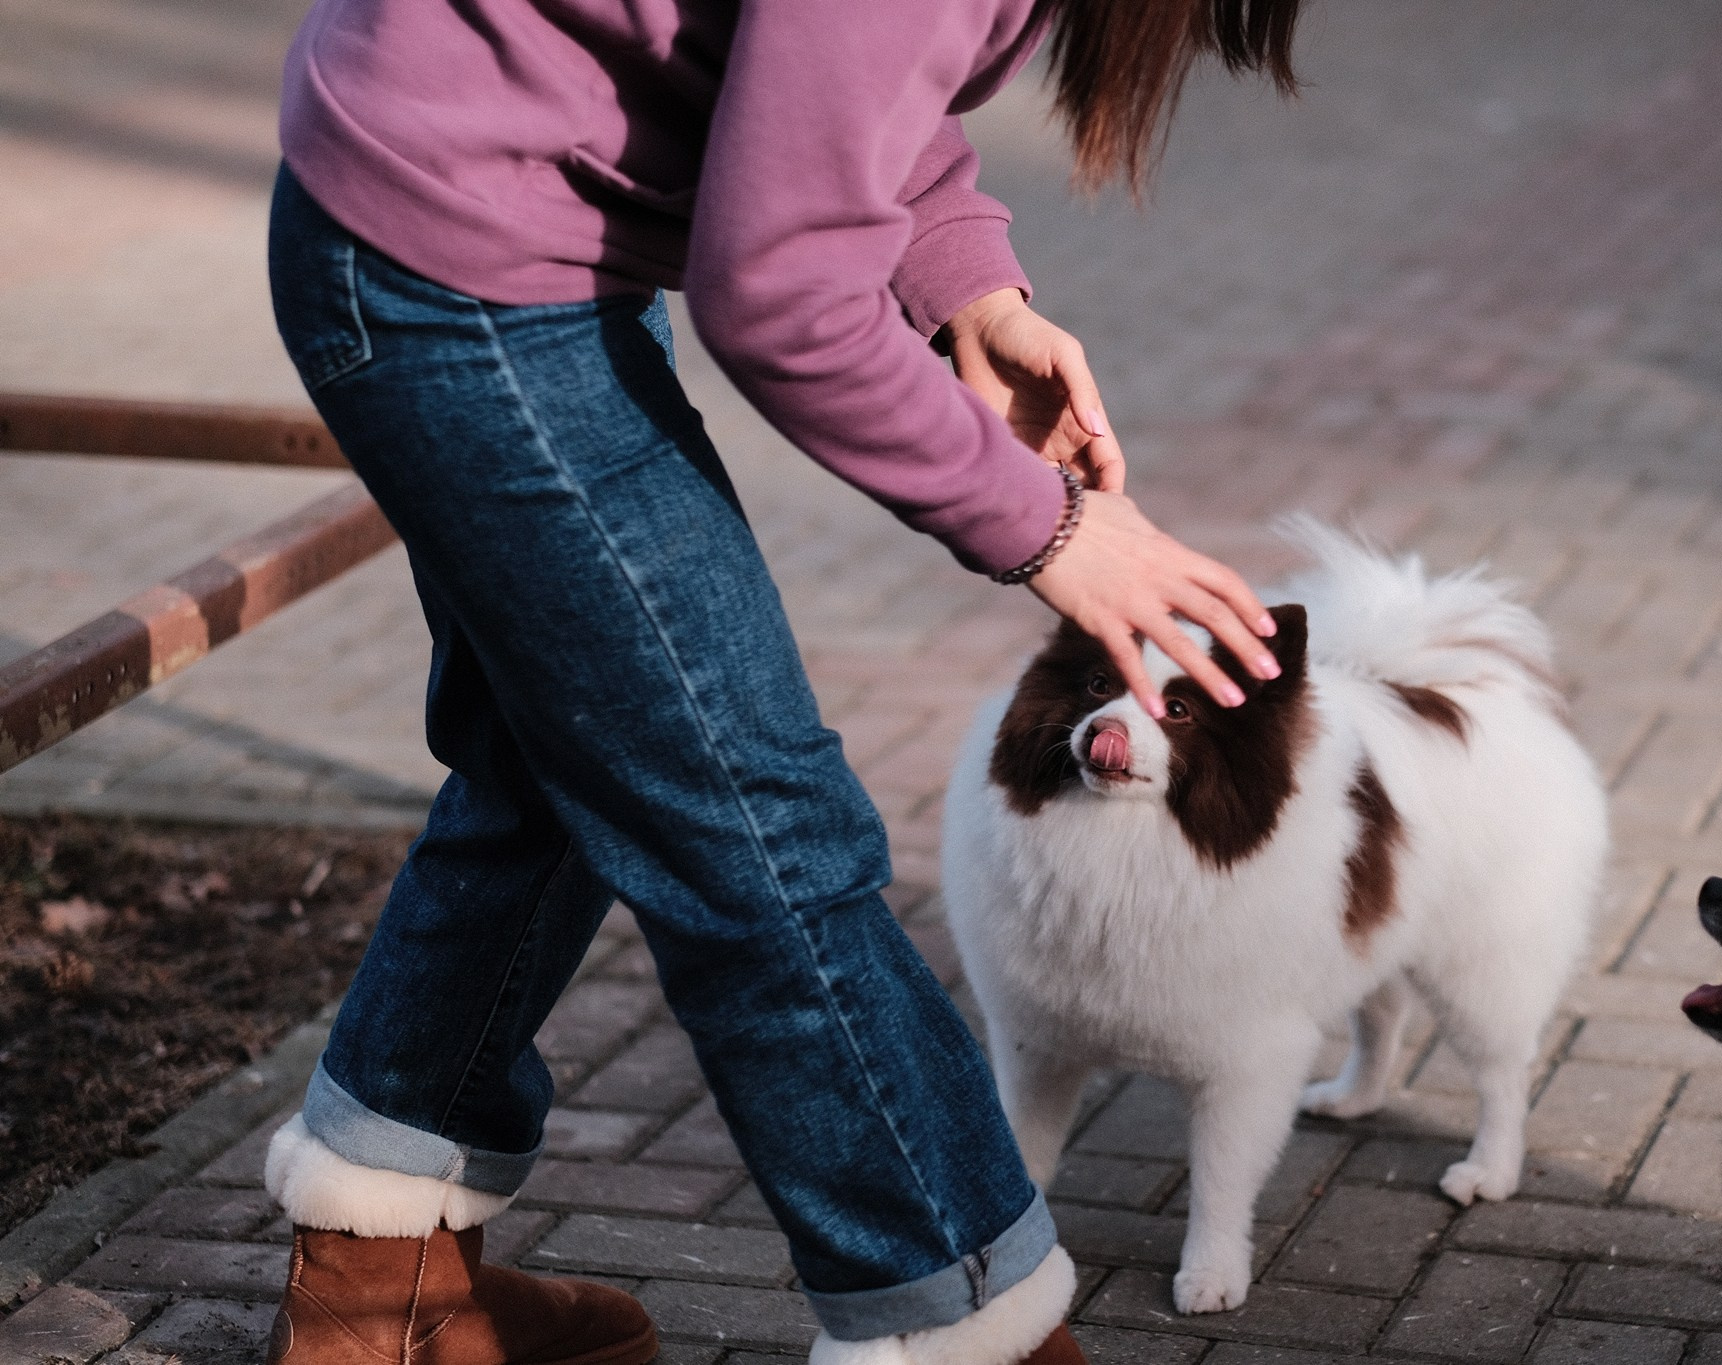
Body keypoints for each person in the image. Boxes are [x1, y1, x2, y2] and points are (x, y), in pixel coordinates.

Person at [257, 1, 1302, 1362]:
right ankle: (957, 1321)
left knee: (559, 762)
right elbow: (781, 290)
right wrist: (1046, 528)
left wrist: (962, 283)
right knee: (755, 818)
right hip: (456, 266)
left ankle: (371, 1282)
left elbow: (824, 75)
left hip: (457, 228)